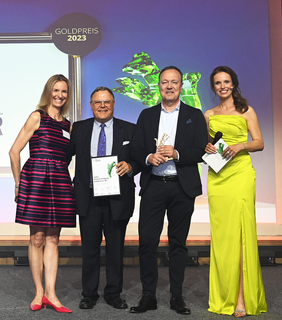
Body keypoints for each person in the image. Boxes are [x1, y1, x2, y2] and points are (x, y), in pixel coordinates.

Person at [130, 66, 207, 315]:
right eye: (165, 82)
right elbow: (135, 149)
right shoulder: (147, 115)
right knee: (147, 243)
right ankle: (148, 296)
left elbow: (201, 152)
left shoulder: (194, 115)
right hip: (154, 186)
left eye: (174, 82)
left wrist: (177, 154)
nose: (169, 86)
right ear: (159, 86)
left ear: (181, 86)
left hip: (182, 187)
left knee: (178, 244)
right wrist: (148, 157)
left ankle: (177, 297)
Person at [66, 87, 139, 310]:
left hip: (117, 198)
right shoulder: (78, 129)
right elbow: (65, 157)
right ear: (90, 105)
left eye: (107, 102)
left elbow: (139, 159)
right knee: (89, 248)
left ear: (114, 104)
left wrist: (131, 166)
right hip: (88, 196)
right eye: (98, 102)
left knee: (116, 249)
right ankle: (89, 294)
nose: (102, 106)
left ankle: (113, 293)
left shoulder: (129, 129)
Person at [9, 74, 76, 313]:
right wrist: (19, 184)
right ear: (48, 92)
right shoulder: (37, 117)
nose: (60, 95)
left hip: (59, 180)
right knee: (36, 238)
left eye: (64, 92)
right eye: (56, 90)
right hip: (36, 179)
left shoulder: (68, 126)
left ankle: (52, 294)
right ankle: (39, 293)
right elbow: (14, 151)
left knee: (54, 239)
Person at [204, 66, 267, 317]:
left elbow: (259, 142)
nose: (223, 86)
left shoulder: (246, 111)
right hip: (217, 176)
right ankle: (223, 296)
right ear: (213, 86)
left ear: (234, 83)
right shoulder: (208, 114)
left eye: (226, 81)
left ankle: (241, 298)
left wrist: (240, 145)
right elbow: (204, 144)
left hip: (240, 173)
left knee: (241, 233)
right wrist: (207, 147)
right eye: (218, 83)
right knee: (222, 236)